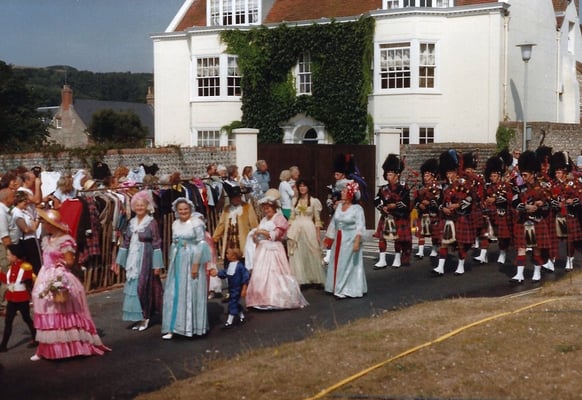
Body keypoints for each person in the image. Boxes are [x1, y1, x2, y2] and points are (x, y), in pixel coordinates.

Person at [30, 208, 110, 361]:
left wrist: (60, 264)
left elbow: (70, 261)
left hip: (59, 274)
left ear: (52, 224)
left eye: (46, 223)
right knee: (46, 308)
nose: (44, 225)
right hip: (45, 274)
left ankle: (68, 346)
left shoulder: (64, 240)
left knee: (61, 309)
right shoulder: (47, 239)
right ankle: (47, 347)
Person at [244, 189, 308, 310]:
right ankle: (260, 299)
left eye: (268, 208)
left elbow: (276, 234)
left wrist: (261, 232)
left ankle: (276, 299)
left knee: (275, 273)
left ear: (274, 207)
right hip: (262, 249)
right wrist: (257, 234)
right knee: (260, 275)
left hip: (274, 249)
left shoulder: (279, 218)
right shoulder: (264, 220)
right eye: (264, 208)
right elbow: (259, 234)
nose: (266, 210)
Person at [161, 198, 215, 339]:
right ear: (176, 211)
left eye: (186, 209)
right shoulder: (175, 224)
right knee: (175, 292)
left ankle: (192, 327)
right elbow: (174, 243)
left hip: (191, 258)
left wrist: (196, 264)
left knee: (191, 290)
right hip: (178, 259)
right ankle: (175, 326)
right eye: (180, 209)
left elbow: (201, 243)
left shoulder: (196, 223)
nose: (183, 211)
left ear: (190, 209)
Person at [114, 190, 164, 332]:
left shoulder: (151, 222)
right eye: (137, 205)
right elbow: (126, 242)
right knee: (134, 287)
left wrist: (157, 265)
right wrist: (120, 262)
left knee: (144, 287)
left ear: (147, 206)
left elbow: (156, 243)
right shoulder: (131, 222)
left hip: (146, 258)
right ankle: (139, 316)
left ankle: (146, 317)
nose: (139, 208)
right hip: (133, 259)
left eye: (142, 205)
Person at [510, 150, 551, 283]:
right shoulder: (519, 188)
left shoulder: (543, 187)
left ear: (533, 173)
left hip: (537, 221)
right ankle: (519, 275)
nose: (523, 176)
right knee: (521, 248)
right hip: (524, 221)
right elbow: (515, 203)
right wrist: (526, 207)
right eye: (522, 174)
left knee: (536, 249)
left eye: (525, 174)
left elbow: (549, 205)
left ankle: (537, 272)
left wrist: (540, 204)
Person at [433, 150, 475, 276]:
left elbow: (470, 198)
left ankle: (460, 266)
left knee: (461, 243)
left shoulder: (464, 183)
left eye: (450, 172)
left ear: (456, 172)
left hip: (460, 217)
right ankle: (440, 267)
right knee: (444, 242)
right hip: (448, 218)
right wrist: (443, 208)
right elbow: (439, 201)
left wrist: (458, 205)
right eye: (447, 172)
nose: (448, 175)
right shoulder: (444, 186)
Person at [323, 181, 367, 298]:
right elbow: (334, 223)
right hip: (339, 238)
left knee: (347, 264)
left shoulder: (357, 209)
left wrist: (357, 241)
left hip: (350, 239)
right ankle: (335, 286)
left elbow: (360, 226)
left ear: (351, 194)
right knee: (337, 262)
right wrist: (329, 238)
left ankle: (345, 289)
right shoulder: (339, 207)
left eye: (344, 191)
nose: (342, 192)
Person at [373, 154, 412, 269]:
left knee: (397, 239)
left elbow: (406, 203)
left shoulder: (403, 188)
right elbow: (376, 200)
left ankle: (397, 258)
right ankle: (382, 260)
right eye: (387, 174)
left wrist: (394, 206)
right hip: (386, 216)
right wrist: (382, 207)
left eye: (390, 174)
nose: (388, 176)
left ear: (397, 175)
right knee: (382, 238)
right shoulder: (383, 188)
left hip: (398, 216)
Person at [287, 179, 325, 287]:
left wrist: (318, 235)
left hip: (309, 229)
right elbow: (291, 217)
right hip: (296, 229)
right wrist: (288, 230)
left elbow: (317, 220)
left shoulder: (314, 201)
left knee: (312, 252)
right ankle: (300, 279)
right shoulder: (294, 201)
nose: (302, 188)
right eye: (300, 186)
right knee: (298, 254)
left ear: (308, 187)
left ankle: (315, 278)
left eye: (304, 186)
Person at [0, 244, 36, 352]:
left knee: (26, 318)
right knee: (8, 321)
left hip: (22, 298)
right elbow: (7, 280)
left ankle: (36, 336)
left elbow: (28, 279)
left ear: (15, 256)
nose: (7, 257)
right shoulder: (12, 267)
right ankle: (3, 345)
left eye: (9, 255)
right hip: (12, 298)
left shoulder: (25, 266)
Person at [413, 158, 443, 259]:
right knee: (421, 232)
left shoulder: (438, 188)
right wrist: (419, 204)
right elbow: (415, 199)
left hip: (433, 213)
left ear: (432, 176)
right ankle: (420, 252)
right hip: (423, 213)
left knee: (434, 233)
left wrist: (429, 203)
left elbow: (439, 201)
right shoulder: (420, 187)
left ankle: (434, 250)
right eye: (424, 176)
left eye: (427, 176)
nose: (425, 178)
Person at [217, 247, 250, 329]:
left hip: (237, 288)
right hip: (231, 288)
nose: (226, 255)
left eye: (228, 254)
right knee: (234, 301)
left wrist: (244, 288)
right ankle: (241, 315)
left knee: (232, 303)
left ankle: (229, 321)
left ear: (234, 256)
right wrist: (217, 273)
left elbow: (245, 277)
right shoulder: (230, 265)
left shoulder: (240, 267)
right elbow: (225, 272)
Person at [11, 190, 42, 275]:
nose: (26, 202)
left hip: (31, 239)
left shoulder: (24, 211)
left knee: (37, 264)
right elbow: (26, 229)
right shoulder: (16, 213)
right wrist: (36, 223)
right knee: (34, 265)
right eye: (24, 200)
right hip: (26, 242)